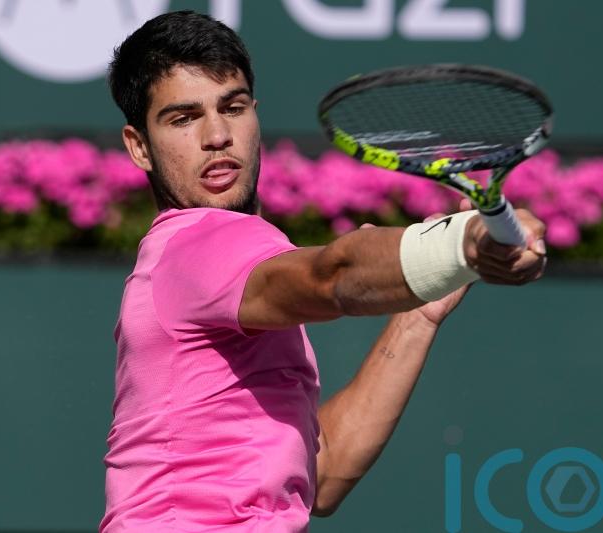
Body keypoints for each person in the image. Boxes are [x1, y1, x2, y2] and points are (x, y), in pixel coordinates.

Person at [100, 10, 546, 532]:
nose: (217, 135)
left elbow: (323, 473)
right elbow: (331, 275)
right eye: (183, 119)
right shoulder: (198, 244)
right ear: (139, 147)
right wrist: (461, 245)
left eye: (233, 107)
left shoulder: (208, 270)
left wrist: (418, 314)